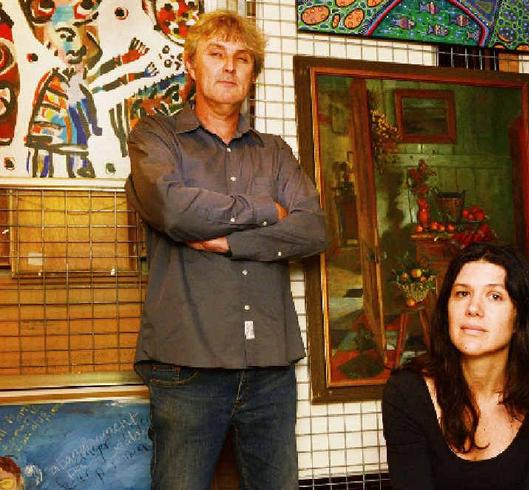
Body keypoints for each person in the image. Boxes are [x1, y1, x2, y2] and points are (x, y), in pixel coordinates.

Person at [124, 10, 326, 490]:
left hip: (271, 368)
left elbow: (314, 229)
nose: (229, 67)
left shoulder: (274, 151)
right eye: (216, 54)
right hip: (186, 366)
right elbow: (172, 210)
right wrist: (267, 210)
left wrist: (231, 242)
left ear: (253, 73)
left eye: (242, 58)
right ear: (191, 65)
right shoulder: (155, 137)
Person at [382, 242, 529, 489]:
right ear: (447, 308)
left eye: (494, 296)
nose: (473, 308)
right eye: (462, 293)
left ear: (520, 319)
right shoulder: (406, 394)